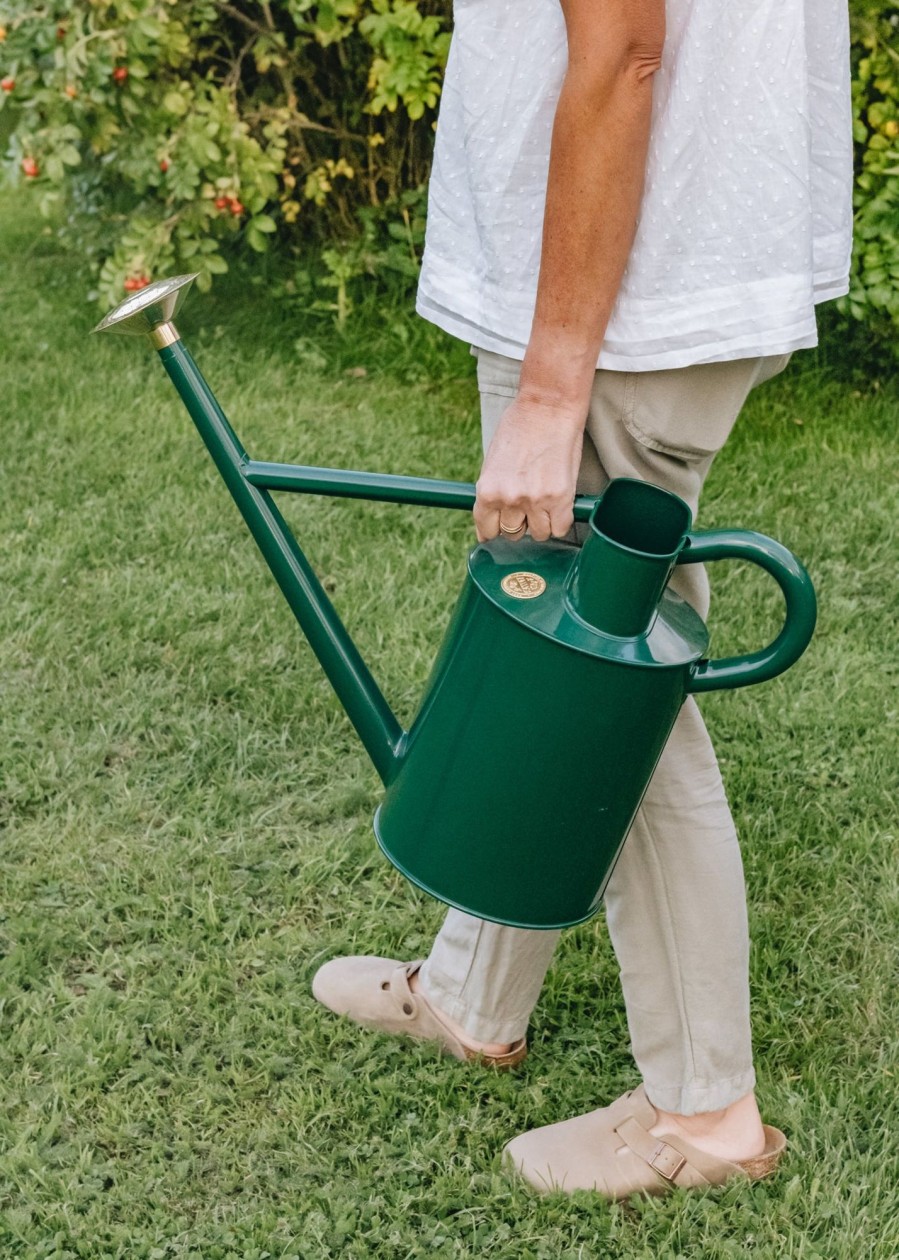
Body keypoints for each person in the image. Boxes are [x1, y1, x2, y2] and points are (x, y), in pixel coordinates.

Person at [313, 0, 853, 1197]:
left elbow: (620, 52)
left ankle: (702, 1112)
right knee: (574, 642)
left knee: (607, 686)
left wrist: (553, 390)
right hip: (661, 261)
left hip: (622, 293)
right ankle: (473, 991)